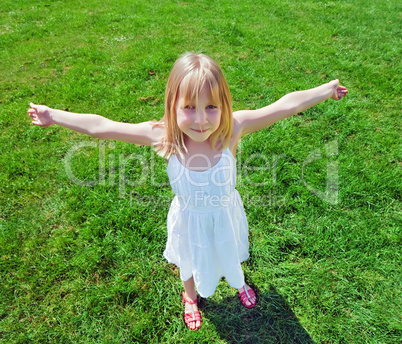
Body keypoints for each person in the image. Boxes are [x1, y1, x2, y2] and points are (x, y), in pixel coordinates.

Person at [28, 52, 348, 331]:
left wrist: (326, 90)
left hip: (224, 215)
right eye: (189, 107)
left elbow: (284, 106)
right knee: (189, 260)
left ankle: (238, 282)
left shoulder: (231, 129)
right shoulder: (163, 137)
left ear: (224, 105)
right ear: (172, 105)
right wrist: (53, 116)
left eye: (211, 107)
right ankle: (190, 296)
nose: (200, 120)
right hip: (189, 220)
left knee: (230, 249)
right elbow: (102, 126)